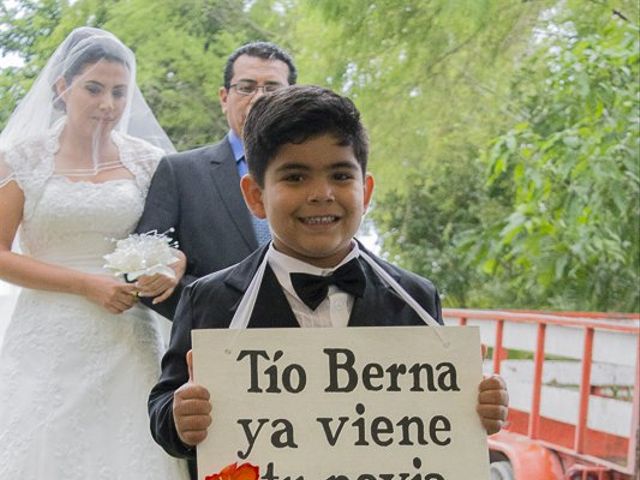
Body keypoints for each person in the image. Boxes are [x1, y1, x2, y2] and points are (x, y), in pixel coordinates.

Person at [148, 85, 509, 465]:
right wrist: (178, 416)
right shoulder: (210, 300)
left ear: (366, 192)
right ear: (255, 196)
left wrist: (476, 407)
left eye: (340, 175)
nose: (321, 193)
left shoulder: (415, 297)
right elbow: (163, 406)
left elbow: (441, 419)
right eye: (295, 177)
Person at [0, 27, 189, 479]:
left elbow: (174, 242)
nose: (108, 104)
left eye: (119, 92)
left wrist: (171, 268)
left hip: (129, 333)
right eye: (94, 88)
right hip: (49, 331)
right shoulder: (22, 159)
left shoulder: (146, 161)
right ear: (63, 88)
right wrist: (86, 284)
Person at [135, 41, 297, 320]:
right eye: (246, 87)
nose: (259, 98)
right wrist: (217, 314)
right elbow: (142, 268)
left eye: (272, 88)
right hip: (211, 344)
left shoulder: (319, 173)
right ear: (224, 97)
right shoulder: (179, 172)